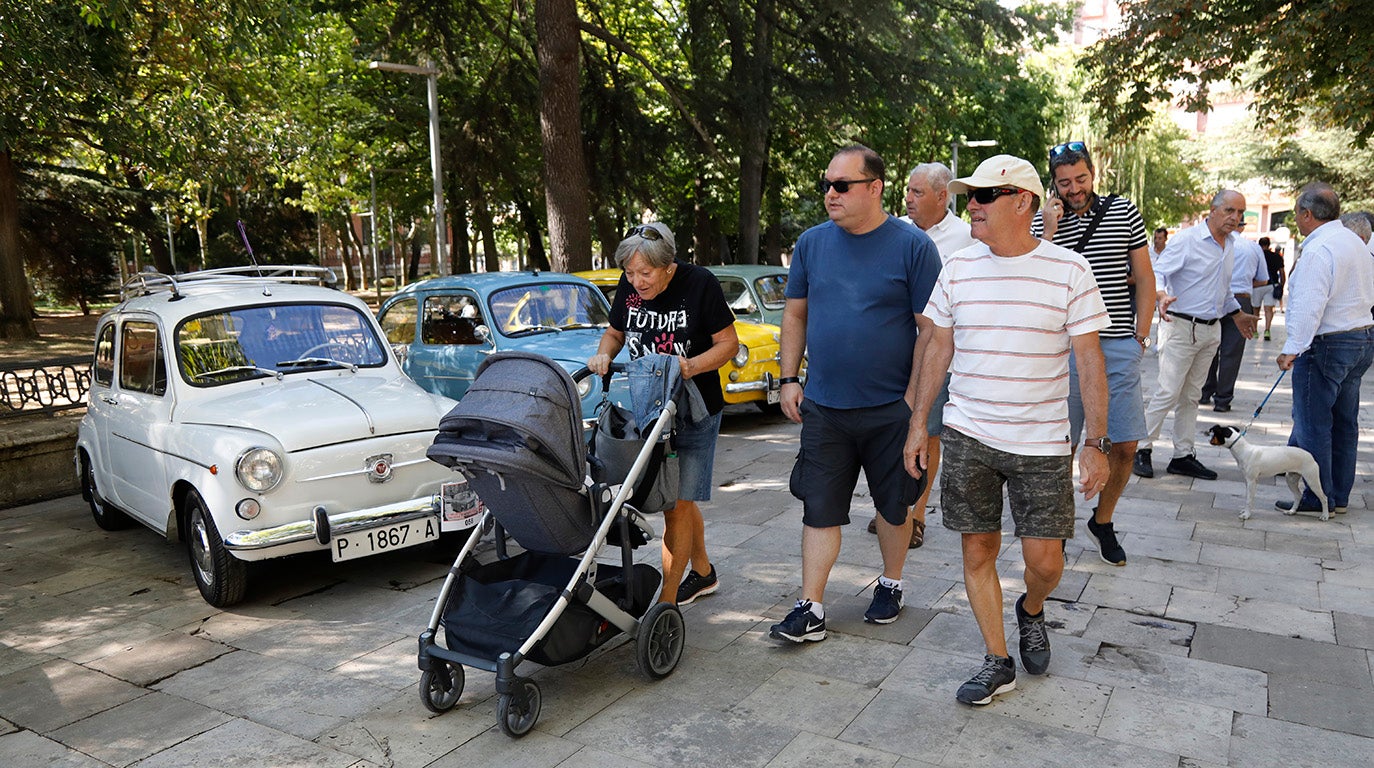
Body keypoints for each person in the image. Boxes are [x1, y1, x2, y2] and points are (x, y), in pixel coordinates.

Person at [906, 154, 1110, 705]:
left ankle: (1032, 608)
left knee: (1045, 561)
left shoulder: (1069, 270)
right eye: (968, 195)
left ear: (1023, 201)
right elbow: (937, 348)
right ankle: (997, 659)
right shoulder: (958, 268)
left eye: (983, 196)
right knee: (978, 551)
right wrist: (917, 426)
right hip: (968, 433)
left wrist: (1095, 442)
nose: (970, 204)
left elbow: (1089, 361)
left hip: (1042, 441)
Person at [770, 144, 941, 642]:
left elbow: (929, 331)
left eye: (841, 185)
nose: (830, 193)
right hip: (825, 406)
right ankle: (811, 606)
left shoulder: (912, 247)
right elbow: (795, 314)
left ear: (874, 188)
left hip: (892, 407)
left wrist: (914, 407)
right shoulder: (811, 244)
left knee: (894, 507)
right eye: (826, 184)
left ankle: (891, 583)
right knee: (818, 506)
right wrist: (788, 379)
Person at [587, 222, 739, 605]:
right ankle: (703, 572)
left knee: (676, 505)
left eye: (645, 273)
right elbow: (616, 332)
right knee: (679, 499)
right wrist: (605, 351)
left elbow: (729, 344)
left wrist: (689, 366)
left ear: (668, 267)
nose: (636, 281)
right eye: (630, 273)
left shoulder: (699, 283)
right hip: (650, 407)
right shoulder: (631, 286)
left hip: (695, 408)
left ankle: (666, 603)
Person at [1033, 141, 1153, 567]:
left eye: (1080, 179)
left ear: (1092, 173)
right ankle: (1058, 525)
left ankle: (1102, 520)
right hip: (1063, 349)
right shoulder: (1041, 221)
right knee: (1058, 445)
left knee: (1123, 445)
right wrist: (1047, 230)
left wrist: (1140, 337)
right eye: (1065, 182)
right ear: (1054, 183)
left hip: (1117, 344)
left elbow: (1143, 277)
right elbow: (1034, 279)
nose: (1074, 188)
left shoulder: (1124, 211)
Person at [866, 162, 978, 548]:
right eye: (908, 192)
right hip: (891, 351)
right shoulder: (892, 232)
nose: (908, 199)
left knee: (927, 431)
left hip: (937, 353)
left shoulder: (967, 238)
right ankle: (888, 506)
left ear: (942, 196)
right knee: (887, 428)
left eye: (917, 192)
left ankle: (916, 514)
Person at [1133, 191, 1258, 480]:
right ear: (1212, 210)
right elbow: (1158, 273)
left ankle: (1183, 455)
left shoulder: (1230, 245)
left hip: (1210, 329)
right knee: (1168, 391)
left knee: (1192, 396)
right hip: (1180, 326)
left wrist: (1237, 314)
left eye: (1240, 213)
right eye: (1230, 210)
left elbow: (1223, 290)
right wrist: (1161, 295)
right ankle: (1142, 447)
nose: (1236, 218)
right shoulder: (1187, 240)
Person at [1276, 183, 1374, 514]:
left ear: (1307, 214)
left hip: (1328, 343)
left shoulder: (1320, 249)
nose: (1297, 220)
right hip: (1360, 336)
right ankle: (1338, 496)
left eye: (1296, 214)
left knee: (1313, 423)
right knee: (1344, 422)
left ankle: (1320, 498)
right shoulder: (1354, 241)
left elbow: (1309, 304)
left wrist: (1292, 347)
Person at [1201, 221, 1269, 412]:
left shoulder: (1214, 244)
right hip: (1241, 299)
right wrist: (1245, 282)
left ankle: (1205, 391)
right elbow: (1263, 279)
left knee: (1209, 347)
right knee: (1232, 352)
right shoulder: (1253, 248)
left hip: (1213, 299)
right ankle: (1223, 399)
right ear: (1243, 226)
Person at [1253, 236, 1285, 341]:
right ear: (1269, 245)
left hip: (1257, 285)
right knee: (1268, 309)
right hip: (1272, 285)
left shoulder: (1256, 256)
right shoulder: (1277, 257)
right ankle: (1267, 330)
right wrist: (1282, 285)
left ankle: (1255, 331)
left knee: (1255, 309)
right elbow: (1282, 273)